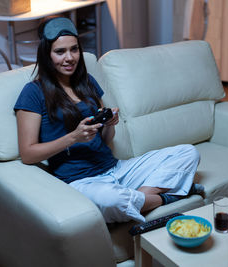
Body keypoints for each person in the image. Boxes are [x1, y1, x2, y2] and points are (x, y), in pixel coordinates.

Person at [14, 17, 203, 223]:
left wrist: (109, 124)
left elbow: (106, 140)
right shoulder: (33, 92)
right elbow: (28, 153)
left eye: (74, 49)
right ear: (46, 54)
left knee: (188, 153)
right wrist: (73, 138)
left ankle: (140, 199)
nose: (69, 58)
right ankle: (164, 198)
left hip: (115, 168)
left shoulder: (86, 82)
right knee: (113, 199)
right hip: (81, 181)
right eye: (60, 52)